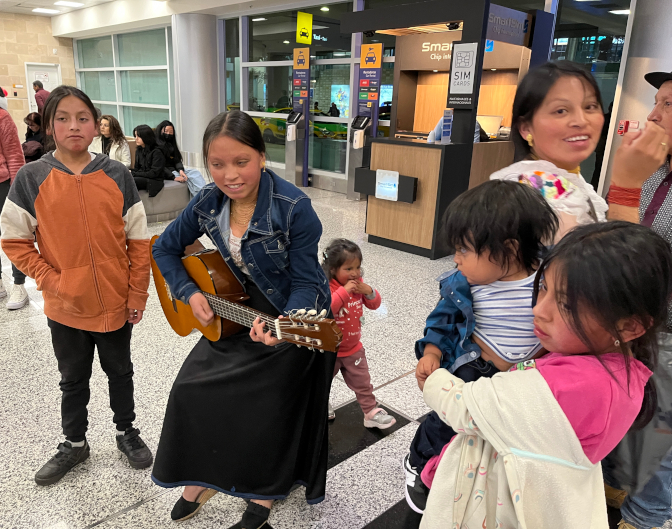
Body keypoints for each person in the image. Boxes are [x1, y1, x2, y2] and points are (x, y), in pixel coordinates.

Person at [419, 221, 672, 529]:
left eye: (565, 304)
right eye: (543, 288)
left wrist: (434, 381)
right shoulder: (626, 368)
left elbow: (466, 406)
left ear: (630, 326)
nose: (539, 310)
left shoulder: (572, 386)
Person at [150, 110, 334, 527]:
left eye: (241, 162)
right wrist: (190, 291)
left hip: (294, 317)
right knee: (190, 388)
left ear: (262, 157)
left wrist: (285, 329)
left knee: (264, 401)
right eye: (217, 164)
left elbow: (308, 282)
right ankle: (200, 477)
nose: (230, 175)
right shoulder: (206, 201)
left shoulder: (294, 208)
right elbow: (164, 249)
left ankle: (262, 494)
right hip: (236, 309)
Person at [0, 85, 153, 486]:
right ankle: (74, 443)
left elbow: (138, 241)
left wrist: (137, 292)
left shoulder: (117, 173)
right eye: (63, 118)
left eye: (83, 118)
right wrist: (52, 279)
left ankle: (126, 431)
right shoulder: (32, 177)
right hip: (65, 306)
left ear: (95, 124)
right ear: (49, 124)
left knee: (120, 371)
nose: (74, 126)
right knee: (72, 378)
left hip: (116, 301)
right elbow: (14, 240)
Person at [403, 180, 558, 514]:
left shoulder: (550, 278)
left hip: (524, 377)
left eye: (464, 250)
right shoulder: (465, 285)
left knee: (495, 435)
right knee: (447, 423)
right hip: (475, 369)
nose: (456, 260)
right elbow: (440, 321)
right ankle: (420, 463)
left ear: (510, 249)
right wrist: (431, 352)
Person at [601, 69, 672, 529]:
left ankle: (645, 516)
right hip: (630, 322)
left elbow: (636, 253)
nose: (653, 115)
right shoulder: (654, 170)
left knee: (661, 433)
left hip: (667, 331)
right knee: (624, 410)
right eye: (657, 101)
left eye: (668, 105)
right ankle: (615, 485)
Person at [490, 62, 609, 241]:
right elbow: (606, 262)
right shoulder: (536, 186)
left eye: (590, 106)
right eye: (561, 111)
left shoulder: (565, 175)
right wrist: (627, 189)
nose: (581, 121)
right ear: (526, 128)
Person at [323, 238, 396, 429]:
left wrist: (369, 290)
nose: (355, 273)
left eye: (357, 267)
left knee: (363, 382)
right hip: (328, 349)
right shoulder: (328, 287)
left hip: (353, 348)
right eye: (348, 269)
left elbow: (375, 304)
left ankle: (370, 412)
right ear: (333, 269)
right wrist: (344, 292)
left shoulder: (358, 285)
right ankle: (320, 405)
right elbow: (328, 309)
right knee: (321, 383)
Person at [0, 106, 28, 310]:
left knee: (13, 234)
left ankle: (19, 283)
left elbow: (14, 153)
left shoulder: (2, 116)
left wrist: (16, 188)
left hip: (3, 184)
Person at [155, 120, 206, 197]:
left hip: (174, 169)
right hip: (166, 172)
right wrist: (173, 177)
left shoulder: (171, 145)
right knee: (189, 180)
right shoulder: (156, 147)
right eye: (166, 131)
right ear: (160, 131)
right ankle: (200, 197)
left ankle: (205, 194)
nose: (168, 134)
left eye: (171, 131)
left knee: (195, 173)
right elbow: (159, 166)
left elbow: (177, 159)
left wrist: (181, 170)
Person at [130, 124, 166, 197]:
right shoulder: (139, 150)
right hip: (144, 176)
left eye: (138, 136)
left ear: (146, 137)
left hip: (154, 180)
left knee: (132, 180)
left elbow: (153, 173)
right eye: (135, 136)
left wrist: (134, 174)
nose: (135, 139)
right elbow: (137, 168)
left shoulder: (157, 152)